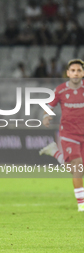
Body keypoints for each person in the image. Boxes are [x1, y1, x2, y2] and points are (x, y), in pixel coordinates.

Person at [39, 59, 84, 212]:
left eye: (79, 70)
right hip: (69, 134)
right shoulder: (60, 90)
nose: (76, 73)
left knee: (77, 169)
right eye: (73, 70)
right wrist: (46, 116)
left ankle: (56, 153)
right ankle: (82, 205)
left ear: (82, 73)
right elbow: (49, 106)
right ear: (68, 73)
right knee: (78, 167)